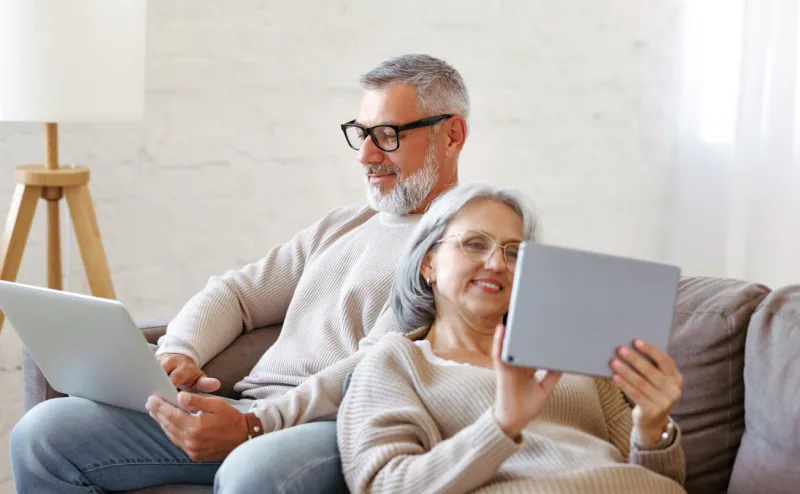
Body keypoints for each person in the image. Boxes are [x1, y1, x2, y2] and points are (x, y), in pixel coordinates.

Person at [10, 54, 469, 493]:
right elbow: (237, 294)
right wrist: (180, 351)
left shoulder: (463, 245)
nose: (365, 155)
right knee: (44, 433)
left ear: (451, 136)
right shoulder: (345, 223)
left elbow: (378, 366)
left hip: (333, 428)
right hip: (247, 410)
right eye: (361, 133)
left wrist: (254, 425)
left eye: (387, 135)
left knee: (254, 470)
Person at [337, 182, 687, 493]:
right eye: (475, 244)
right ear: (428, 264)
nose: (496, 264)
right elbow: (384, 485)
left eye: (514, 253)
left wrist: (653, 428)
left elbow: (659, 482)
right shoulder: (395, 363)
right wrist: (501, 424)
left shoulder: (573, 355)